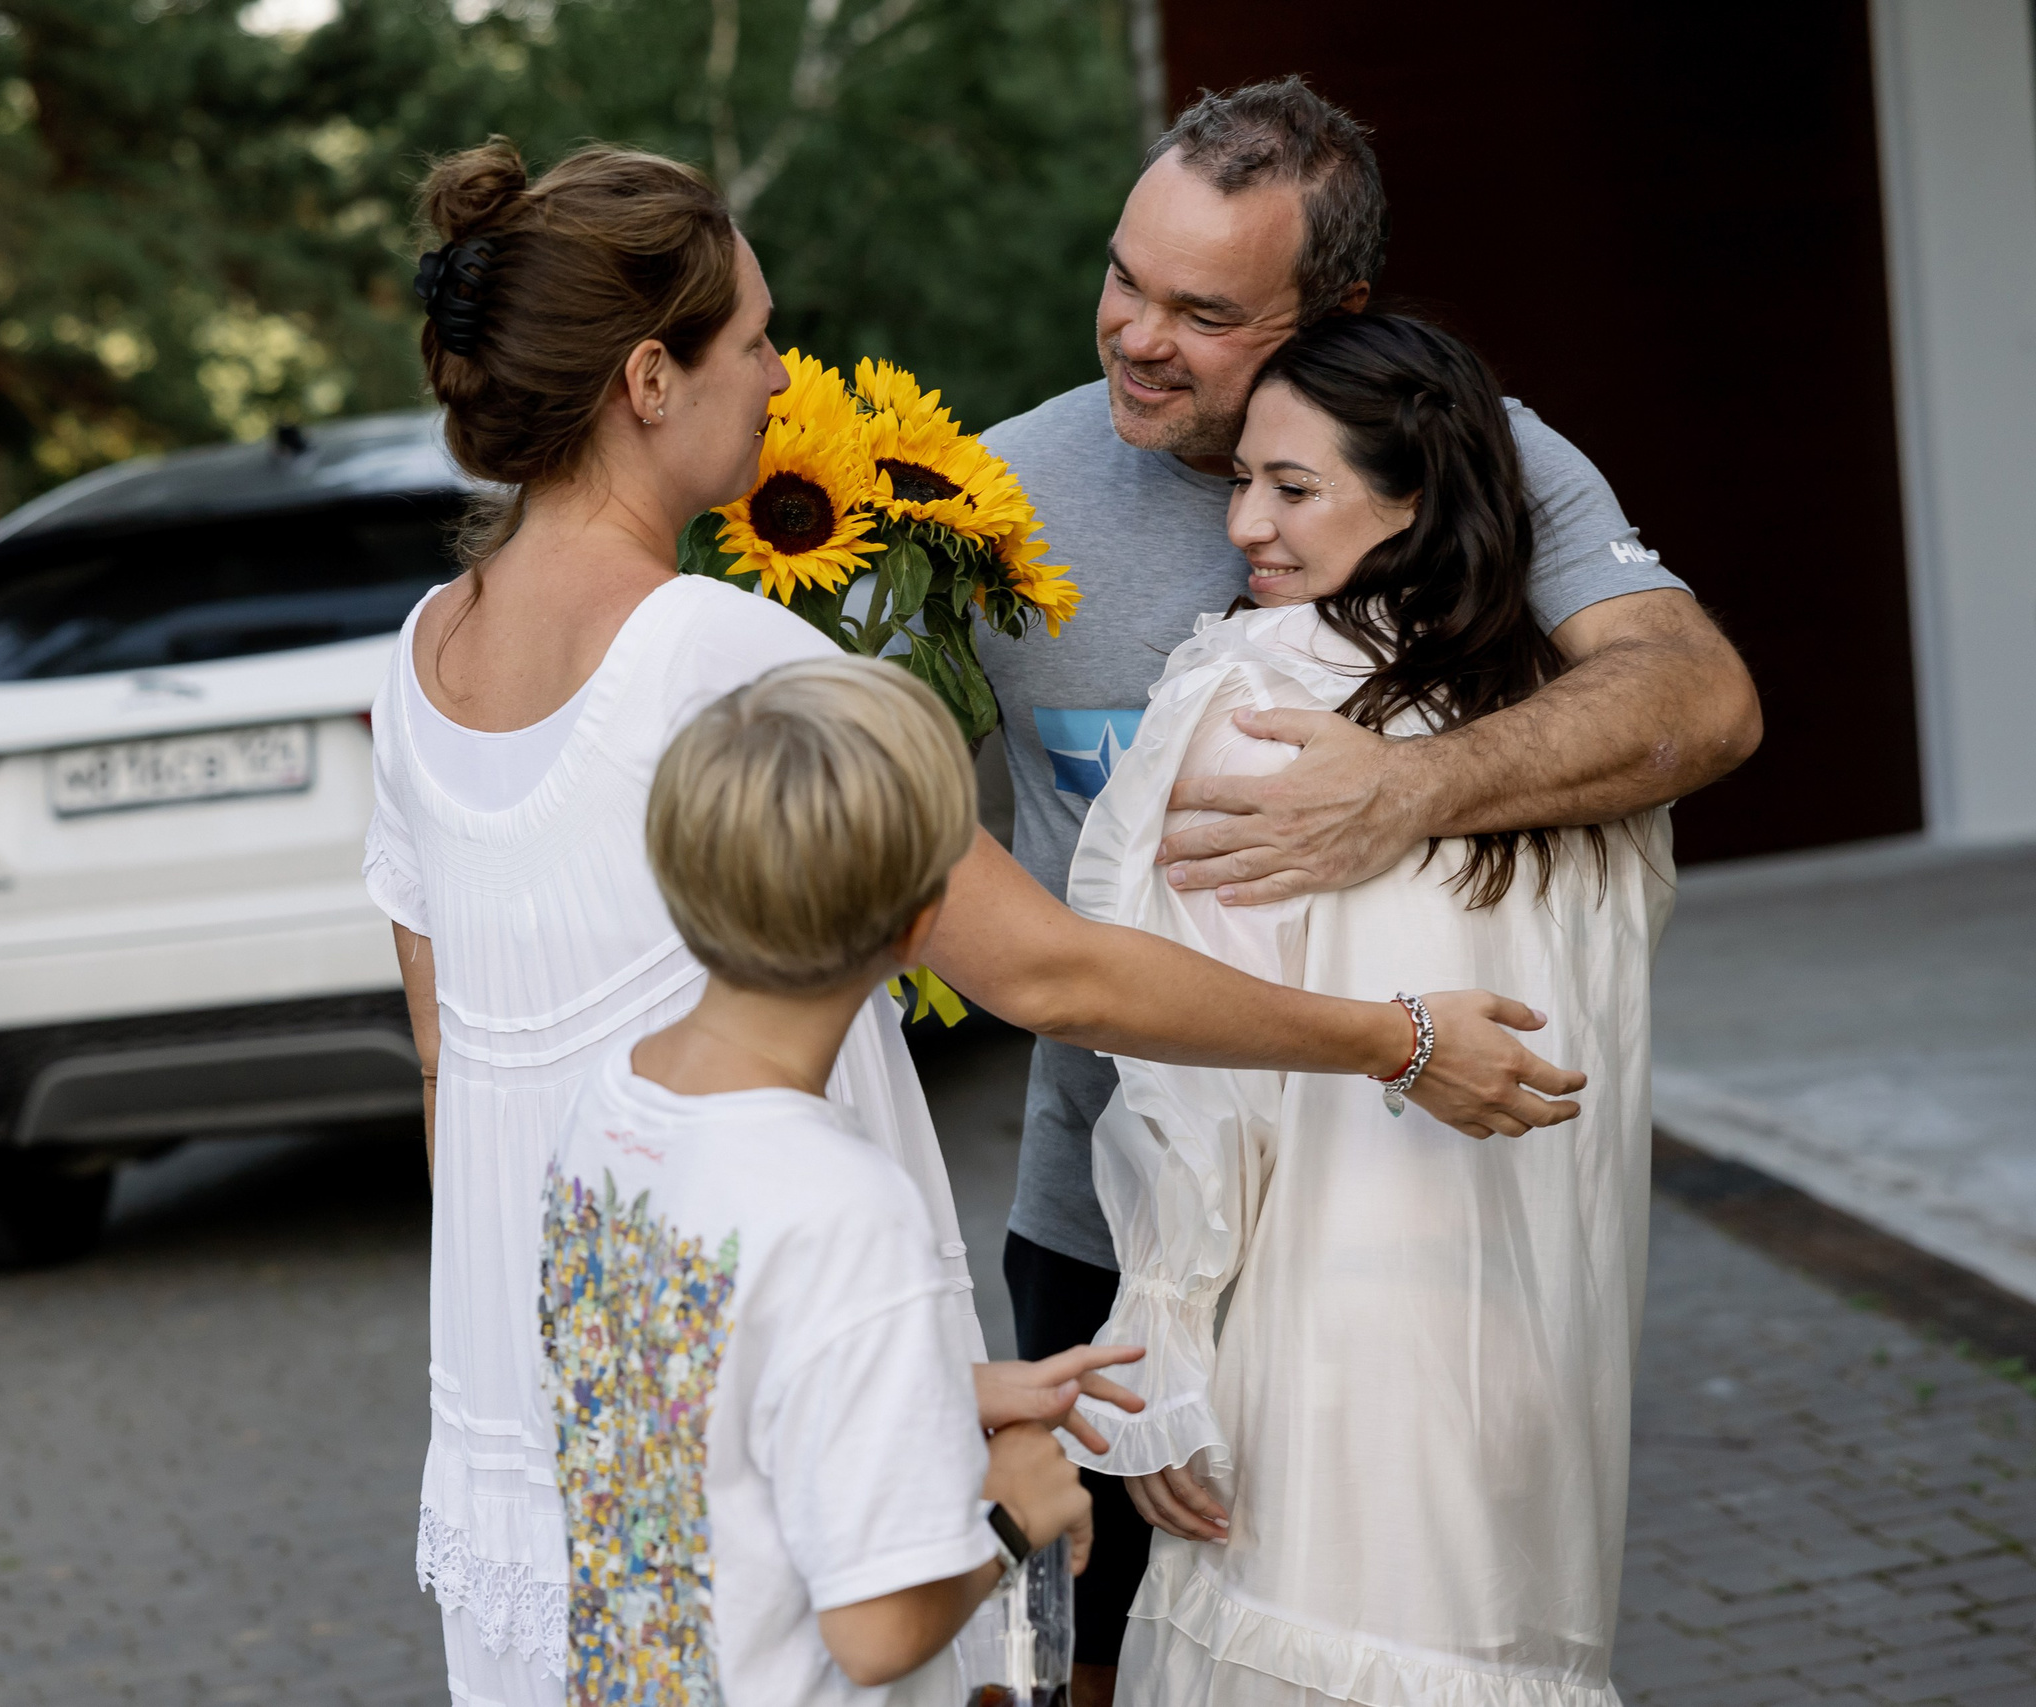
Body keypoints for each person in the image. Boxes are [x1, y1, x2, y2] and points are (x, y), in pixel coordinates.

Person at [366, 138, 1587, 1707]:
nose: (779, 375)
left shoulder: (421, 656)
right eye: (756, 339)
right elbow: (1044, 965)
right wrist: (1396, 1036)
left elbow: (451, 1069)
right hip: (764, 1368)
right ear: (651, 380)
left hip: (565, 1386)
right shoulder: (720, 652)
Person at [973, 77, 1761, 1695]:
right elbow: (865, 807)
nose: (1137, 337)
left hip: (1393, 1237)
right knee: (1080, 1666)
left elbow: (1698, 697)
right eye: (1125, 277)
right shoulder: (979, 502)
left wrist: (1406, 788)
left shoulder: (1473, 452)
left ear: (1334, 310)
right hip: (1104, 1211)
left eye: (1205, 313)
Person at [1061, 311, 1674, 1706]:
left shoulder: (1255, 704)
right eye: (1243, 481)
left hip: (1323, 1360)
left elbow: (1189, 1078)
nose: (1244, 526)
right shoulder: (1581, 745)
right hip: (1540, 1342)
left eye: (1292, 487)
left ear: (1412, 499)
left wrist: (1159, 1352)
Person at [540, 655, 1095, 1704]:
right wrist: (1018, 1506)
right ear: (920, 926)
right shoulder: (844, 1206)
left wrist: (940, 1391)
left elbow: (700, 1381)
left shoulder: (610, 1101)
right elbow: (877, 1634)